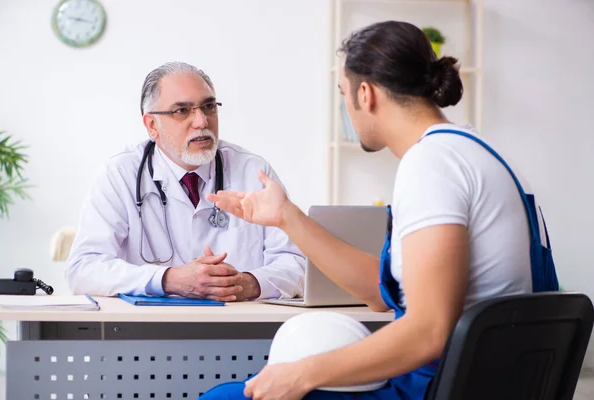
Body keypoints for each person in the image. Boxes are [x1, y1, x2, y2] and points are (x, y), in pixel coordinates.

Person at [201, 21, 558, 400]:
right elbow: (382, 292)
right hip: (494, 380)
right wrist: (287, 216)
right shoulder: (479, 153)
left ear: (366, 94)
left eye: (344, 94)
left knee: (223, 397)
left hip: (439, 388)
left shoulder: (432, 166)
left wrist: (301, 373)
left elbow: (429, 331)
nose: (347, 109)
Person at [65, 62, 305, 302]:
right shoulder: (120, 174)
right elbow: (83, 269)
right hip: (147, 330)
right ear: (152, 126)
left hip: (239, 325)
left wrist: (249, 283)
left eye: (208, 106)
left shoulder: (253, 171)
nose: (201, 121)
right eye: (182, 110)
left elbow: (297, 263)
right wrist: (169, 280)